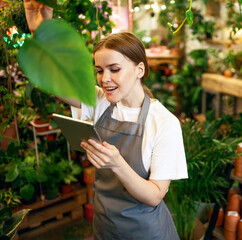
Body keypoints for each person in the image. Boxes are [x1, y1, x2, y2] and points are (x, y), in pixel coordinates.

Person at [24, 1, 188, 239]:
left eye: (114, 69)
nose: (104, 79)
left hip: (145, 232)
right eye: (100, 70)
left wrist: (117, 163)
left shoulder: (164, 123)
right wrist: (39, 30)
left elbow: (154, 195)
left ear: (139, 69)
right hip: (105, 225)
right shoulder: (101, 101)